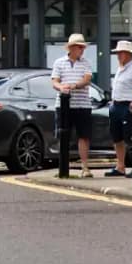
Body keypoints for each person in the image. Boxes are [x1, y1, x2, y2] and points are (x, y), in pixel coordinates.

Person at [51, 33, 96, 178]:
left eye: (83, 47)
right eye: (79, 47)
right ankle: (62, 167)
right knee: (63, 135)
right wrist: (61, 88)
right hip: (64, 104)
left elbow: (87, 79)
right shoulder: (59, 62)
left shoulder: (86, 63)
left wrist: (74, 85)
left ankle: (85, 167)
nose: (82, 49)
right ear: (71, 48)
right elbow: (55, 81)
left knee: (84, 136)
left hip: (82, 104)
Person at [107, 40, 132, 178]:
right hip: (116, 106)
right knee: (117, 138)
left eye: (121, 53)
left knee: (131, 138)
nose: (119, 55)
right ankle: (120, 166)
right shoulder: (119, 68)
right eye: (118, 53)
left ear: (129, 54)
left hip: (127, 106)